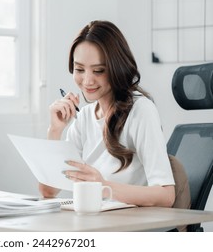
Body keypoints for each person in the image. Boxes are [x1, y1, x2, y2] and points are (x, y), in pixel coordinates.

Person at [40, 20, 175, 207]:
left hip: (131, 227)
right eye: (79, 69)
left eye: (99, 71)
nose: (87, 80)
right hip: (96, 221)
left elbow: (166, 196)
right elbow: (48, 191)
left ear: (116, 68)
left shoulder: (141, 110)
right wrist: (54, 131)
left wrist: (102, 187)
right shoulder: (84, 117)